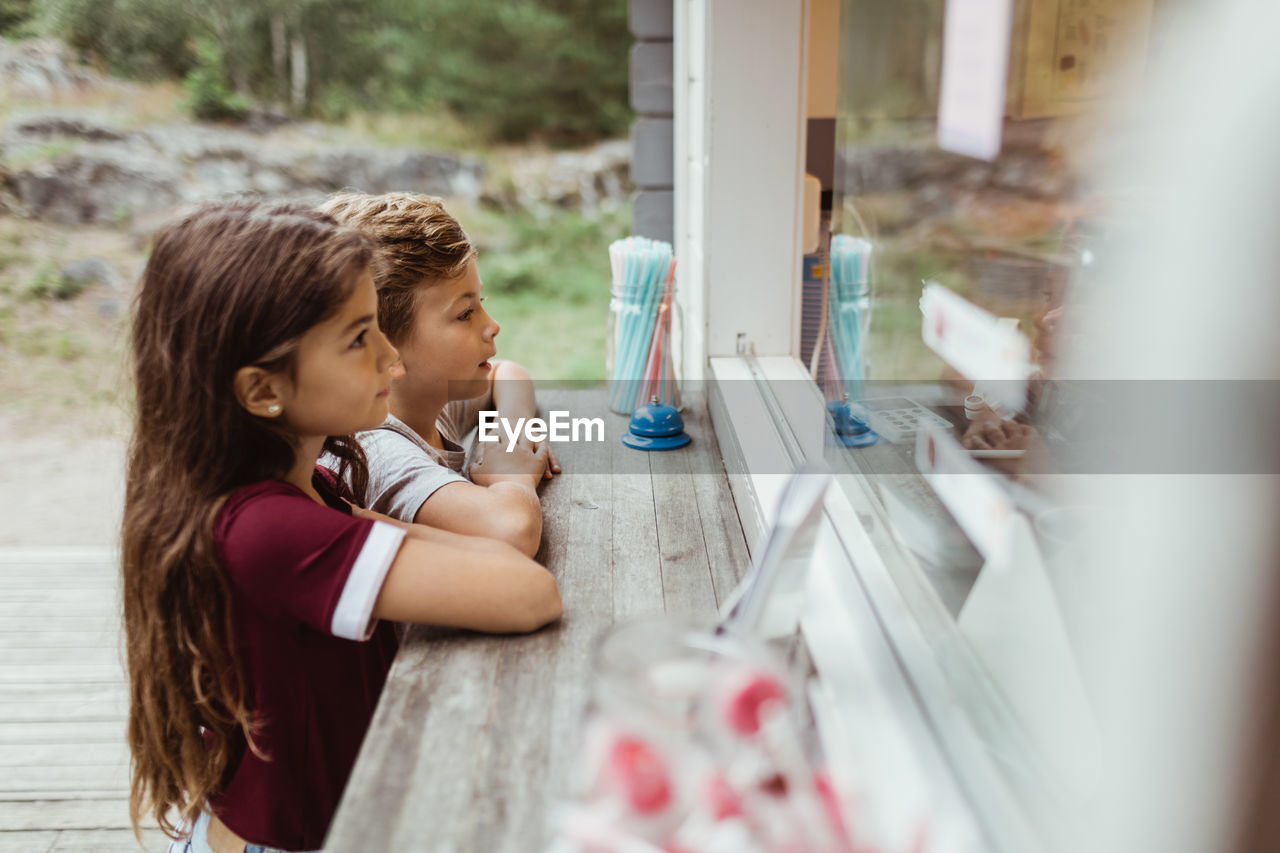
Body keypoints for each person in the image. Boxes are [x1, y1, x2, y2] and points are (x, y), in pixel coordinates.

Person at [121, 201, 561, 853]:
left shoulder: (300, 488)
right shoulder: (273, 530)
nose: (391, 359)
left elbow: (492, 561)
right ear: (262, 390)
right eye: (360, 338)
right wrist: (505, 467)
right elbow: (527, 590)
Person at [318, 192, 557, 558]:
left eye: (482, 303)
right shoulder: (375, 452)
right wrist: (512, 474)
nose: (492, 326)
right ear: (387, 353)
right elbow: (514, 531)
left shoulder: (426, 402)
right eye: (465, 313)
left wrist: (511, 435)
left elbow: (508, 374)